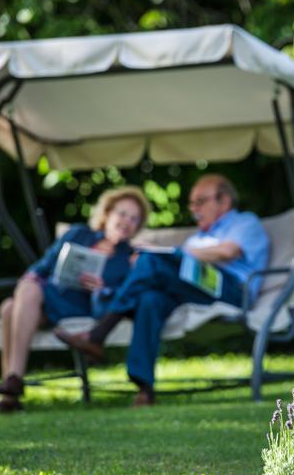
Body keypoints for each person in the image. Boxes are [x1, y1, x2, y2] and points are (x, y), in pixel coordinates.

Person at [55, 174, 270, 406]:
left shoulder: (244, 222)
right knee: (150, 298)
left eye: (200, 201)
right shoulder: (199, 237)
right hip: (197, 291)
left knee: (151, 261)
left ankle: (99, 334)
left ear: (224, 201)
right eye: (192, 203)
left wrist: (171, 253)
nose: (193, 208)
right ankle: (145, 388)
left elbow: (226, 253)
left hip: (232, 290)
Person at [0, 186, 152, 413]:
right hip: (50, 297)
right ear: (107, 213)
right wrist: (29, 280)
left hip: (82, 307)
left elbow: (123, 300)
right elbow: (43, 267)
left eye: (134, 219)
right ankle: (12, 386)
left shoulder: (128, 258)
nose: (127, 221)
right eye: (122, 214)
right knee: (14, 301)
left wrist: (102, 289)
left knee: (12, 305)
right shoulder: (78, 234)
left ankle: (11, 388)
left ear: (137, 226)